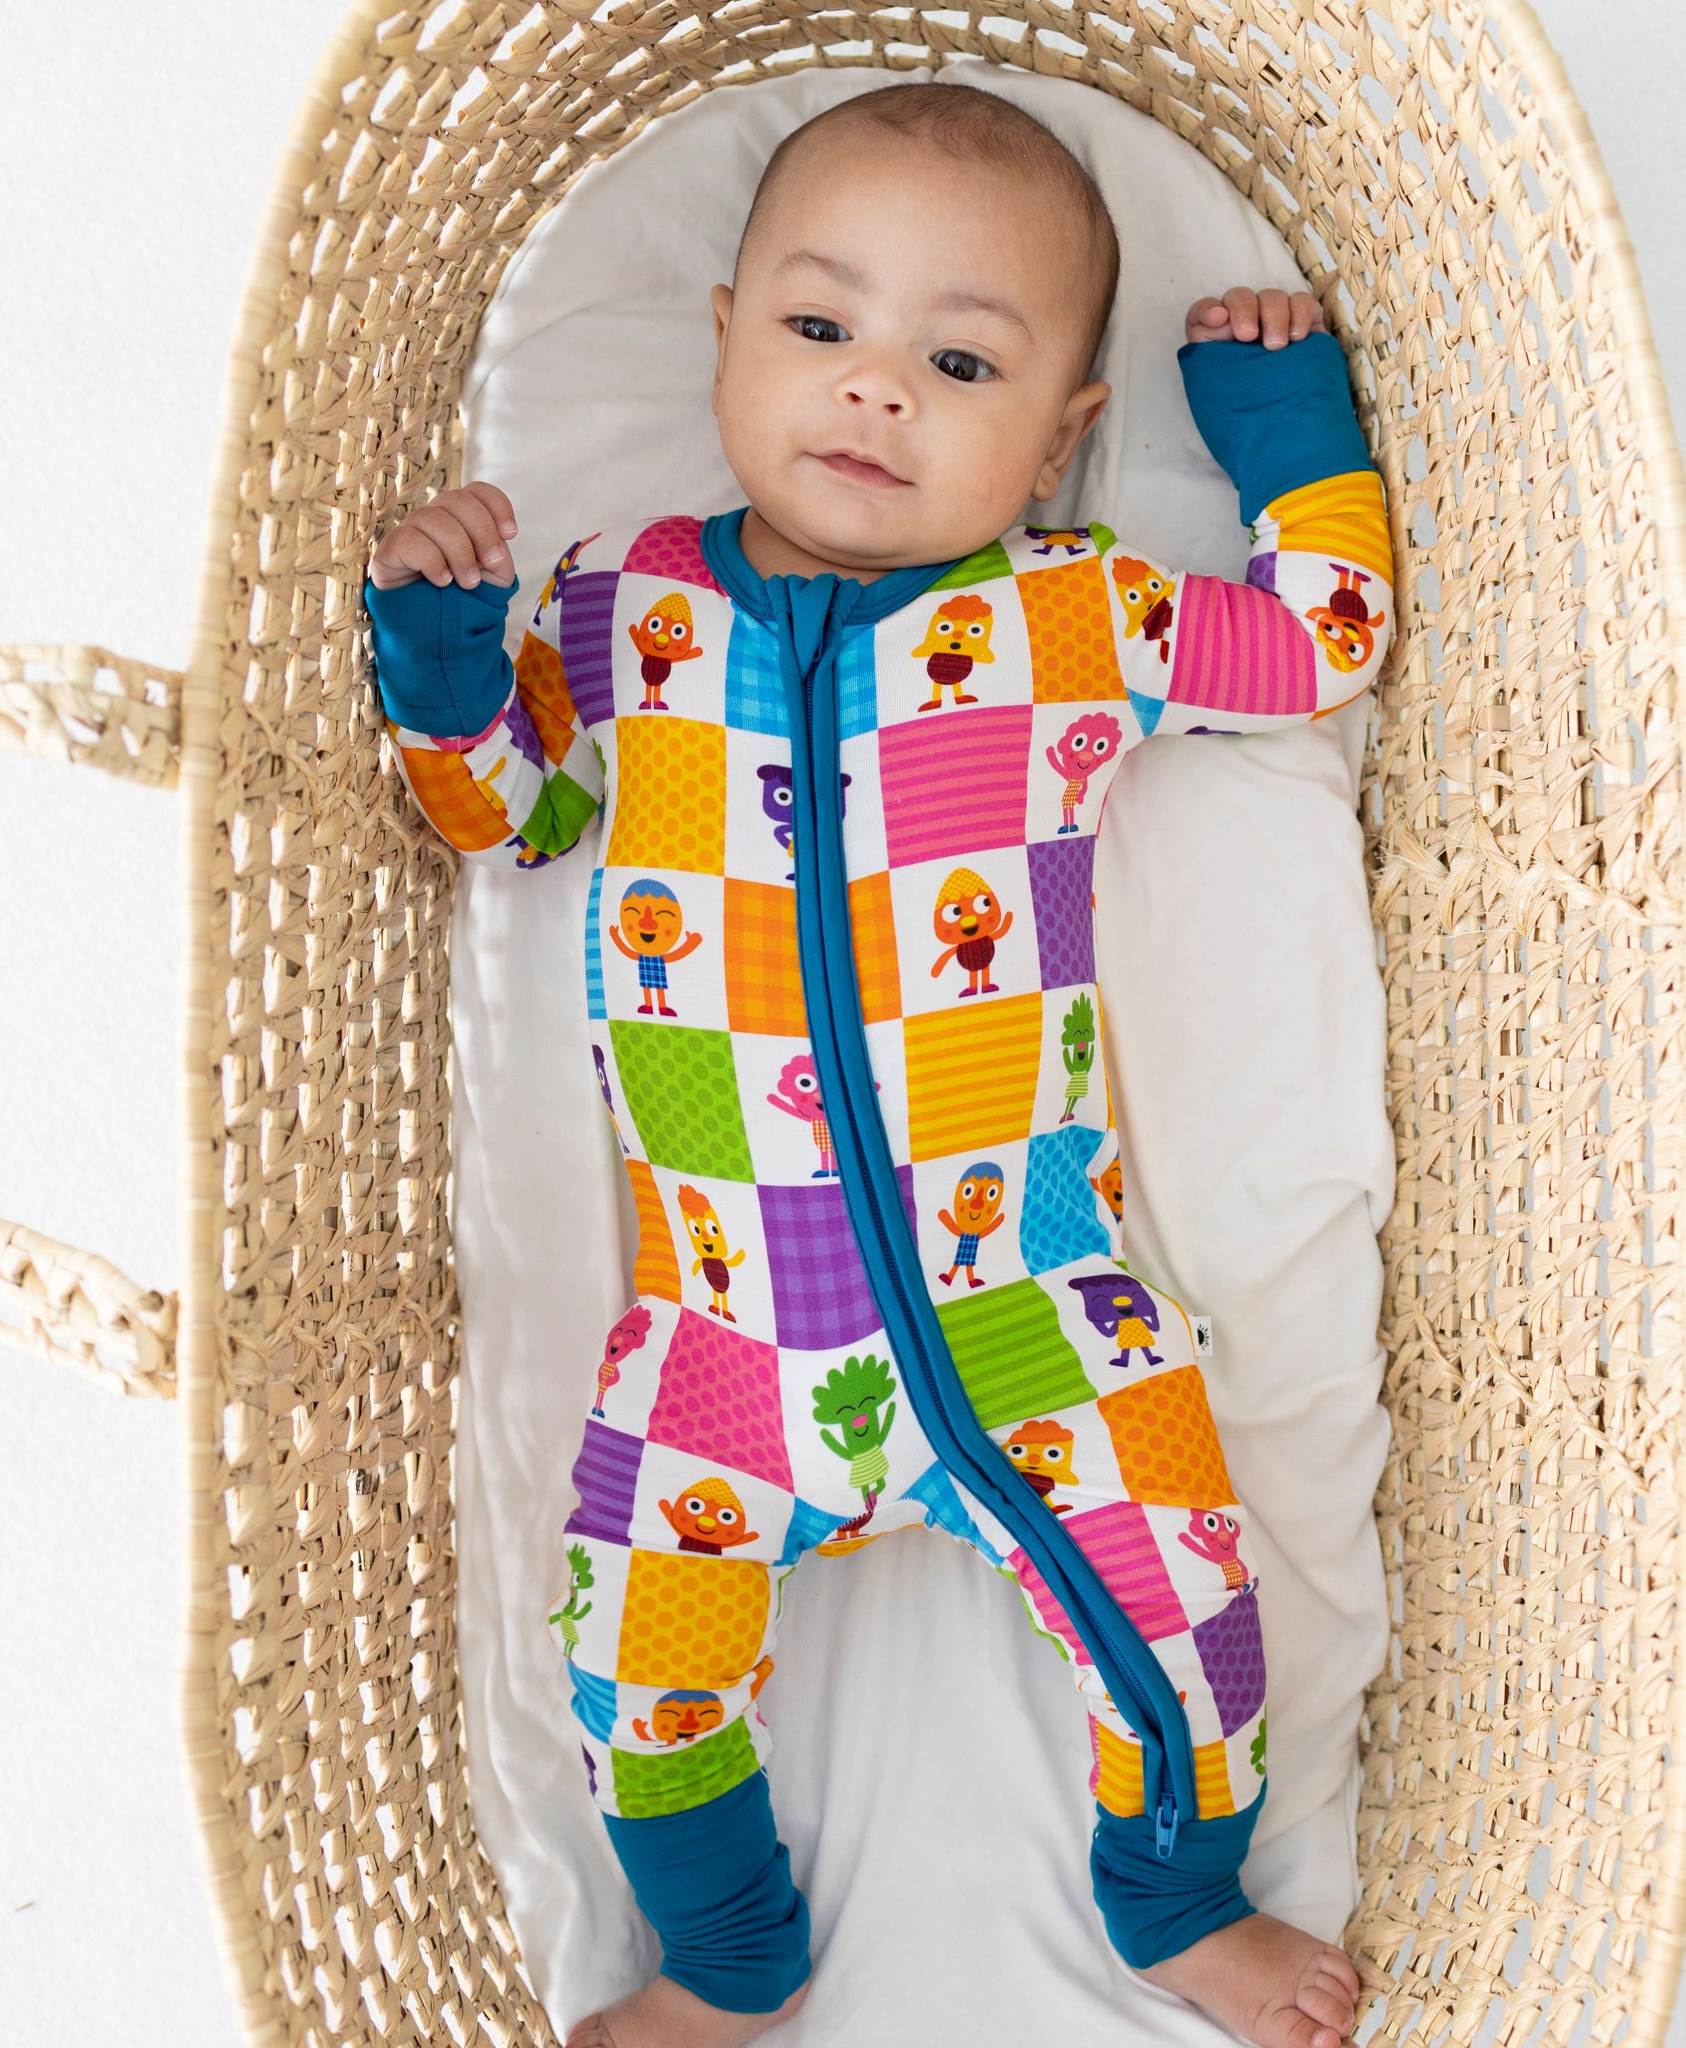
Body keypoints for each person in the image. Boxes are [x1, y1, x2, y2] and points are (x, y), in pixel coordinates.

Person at [365, 81, 1392, 2048]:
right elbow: (504, 811)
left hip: (1029, 1310)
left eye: (960, 359)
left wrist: (1282, 437)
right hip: (727, 1336)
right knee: (631, 1669)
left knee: (1188, 1620)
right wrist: (436, 658)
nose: (875, 393)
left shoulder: (1070, 615)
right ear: (728, 331)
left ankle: (1172, 1891)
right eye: (819, 329)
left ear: (1060, 434)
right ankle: (728, 1953)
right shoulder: (622, 601)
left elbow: (1319, 641)